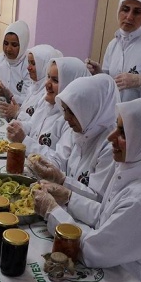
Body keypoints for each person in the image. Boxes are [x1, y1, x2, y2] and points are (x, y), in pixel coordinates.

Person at [33, 96, 141, 282]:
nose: (111, 137)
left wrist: (52, 211)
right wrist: (68, 197)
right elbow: (107, 215)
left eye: (123, 133)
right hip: (121, 268)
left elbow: (93, 250)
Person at [27, 74, 118, 202]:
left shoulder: (110, 145)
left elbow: (97, 200)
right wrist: (44, 166)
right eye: (64, 110)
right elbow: (59, 160)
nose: (66, 117)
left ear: (90, 110)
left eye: (72, 112)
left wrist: (62, 181)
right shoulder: (77, 130)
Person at [7, 57, 90, 156]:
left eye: (55, 80)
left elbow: (58, 162)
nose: (47, 84)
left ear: (71, 85)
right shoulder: (46, 101)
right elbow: (32, 125)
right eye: (48, 77)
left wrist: (24, 141)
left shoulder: (72, 120)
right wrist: (19, 127)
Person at [0, 44, 62, 121]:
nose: (28, 68)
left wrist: (17, 113)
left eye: (33, 64)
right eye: (29, 63)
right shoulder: (34, 86)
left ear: (45, 66)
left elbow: (36, 126)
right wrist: (9, 96)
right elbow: (25, 108)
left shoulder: (49, 94)